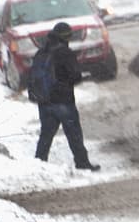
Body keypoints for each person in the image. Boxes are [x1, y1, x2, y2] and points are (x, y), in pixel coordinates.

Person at [34, 22, 100, 172]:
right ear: (66, 37)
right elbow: (74, 76)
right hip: (63, 100)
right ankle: (82, 163)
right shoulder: (64, 52)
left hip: (44, 101)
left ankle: (39, 164)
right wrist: (80, 76)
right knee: (74, 133)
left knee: (46, 135)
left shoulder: (41, 52)